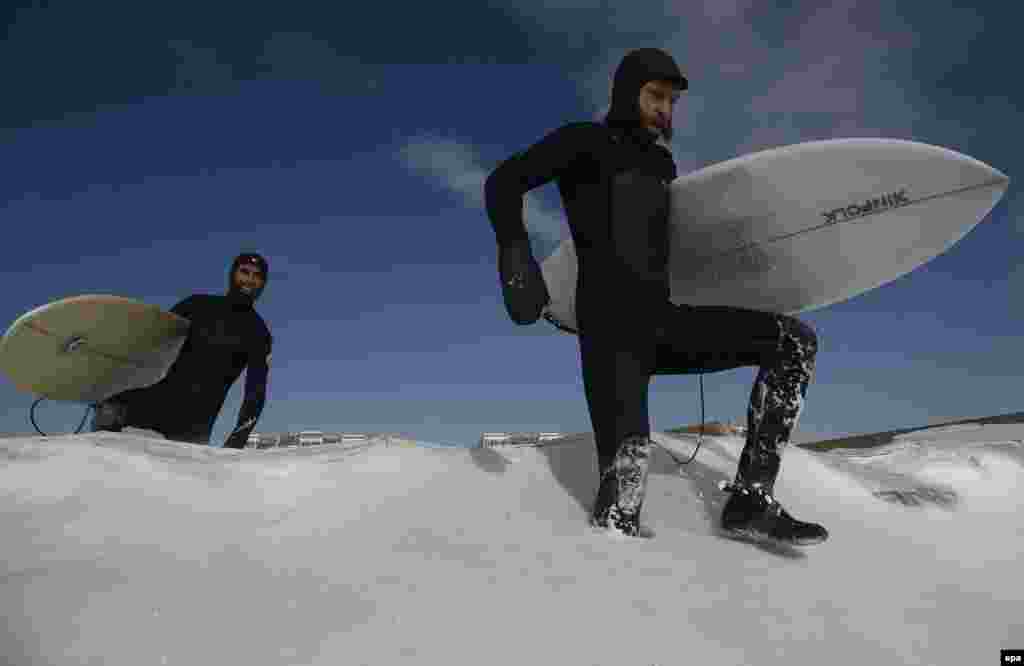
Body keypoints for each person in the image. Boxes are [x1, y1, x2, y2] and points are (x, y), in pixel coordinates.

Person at [483, 48, 828, 546]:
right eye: (656, 96)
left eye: (672, 100)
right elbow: (503, 183)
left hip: (664, 324)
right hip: (610, 337)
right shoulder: (584, 142)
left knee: (794, 342)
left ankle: (752, 497)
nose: (666, 109)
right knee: (625, 494)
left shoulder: (662, 164)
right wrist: (516, 257)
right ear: (628, 94)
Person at [92, 253, 273, 449]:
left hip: (191, 429)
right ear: (232, 274)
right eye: (244, 272)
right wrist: (114, 390)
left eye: (257, 275)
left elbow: (255, 392)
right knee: (110, 441)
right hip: (149, 408)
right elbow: (150, 344)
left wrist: (238, 438)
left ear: (263, 283)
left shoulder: (258, 333)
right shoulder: (196, 305)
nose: (249, 279)